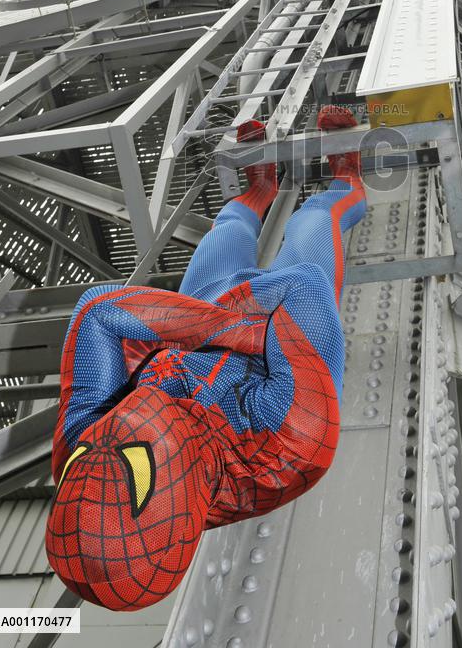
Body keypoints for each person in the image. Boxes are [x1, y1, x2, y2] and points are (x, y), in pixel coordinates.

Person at [45, 106, 366, 611]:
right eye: (134, 459)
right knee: (314, 219)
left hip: (215, 314)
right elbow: (301, 294)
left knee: (231, 224)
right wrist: (219, 325)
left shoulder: (82, 449)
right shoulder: (291, 447)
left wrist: (228, 325)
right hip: (254, 325)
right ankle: (348, 171)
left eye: (80, 458)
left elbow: (96, 310)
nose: (103, 431)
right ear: (176, 495)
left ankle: (261, 186)